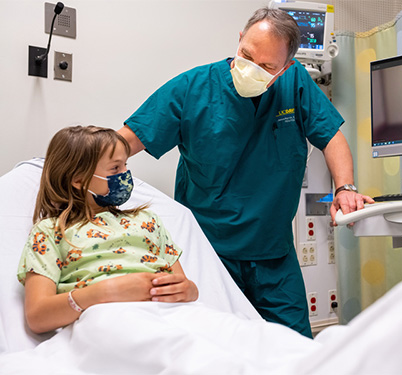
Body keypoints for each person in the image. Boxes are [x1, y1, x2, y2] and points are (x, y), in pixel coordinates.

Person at [118, 7, 373, 338]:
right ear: (239, 40)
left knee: (294, 348)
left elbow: (332, 138)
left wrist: (345, 188)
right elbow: (123, 143)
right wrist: (76, 166)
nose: (252, 69)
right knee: (215, 346)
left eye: (267, 66)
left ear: (284, 69)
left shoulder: (294, 84)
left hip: (273, 256)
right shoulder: (193, 88)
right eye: (246, 55)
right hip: (208, 253)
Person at [17, 125, 199, 334]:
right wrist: (103, 292)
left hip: (170, 316)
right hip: (108, 321)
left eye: (125, 165)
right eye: (115, 169)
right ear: (78, 179)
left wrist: (190, 291)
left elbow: (181, 283)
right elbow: (38, 316)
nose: (126, 175)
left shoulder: (147, 221)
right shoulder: (51, 231)